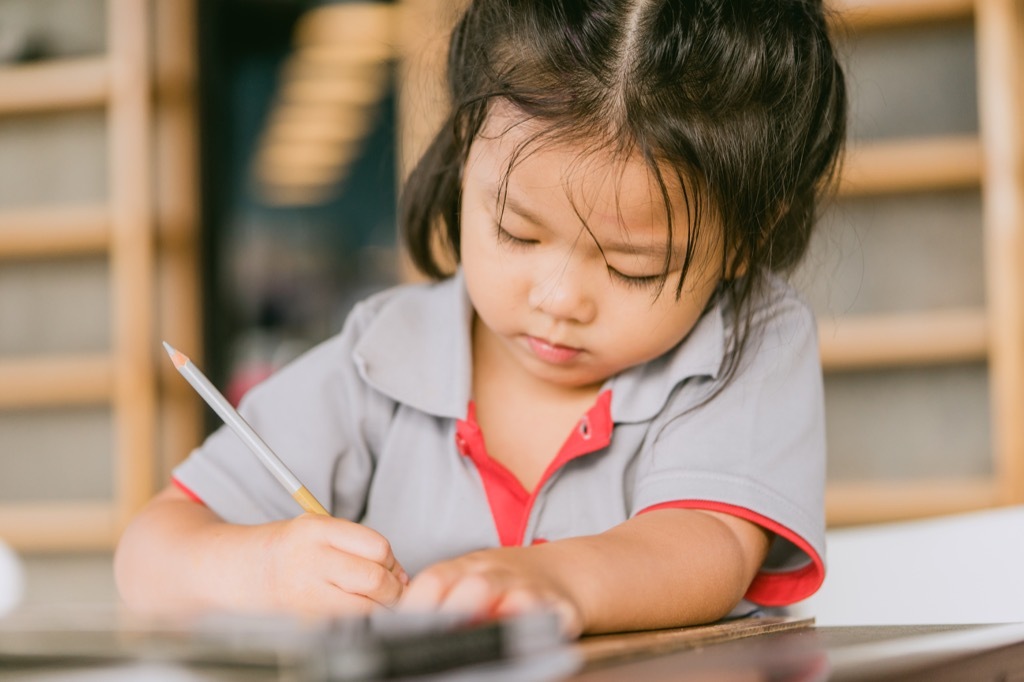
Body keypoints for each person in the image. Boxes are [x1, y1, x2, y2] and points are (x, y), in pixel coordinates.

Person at [115, 0, 846, 637]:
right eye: (517, 232)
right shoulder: (381, 356)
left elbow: (707, 544)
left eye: (634, 267)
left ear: (747, 236)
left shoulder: (745, 340)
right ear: (465, 154)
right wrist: (265, 570)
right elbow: (148, 554)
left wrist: (559, 582)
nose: (559, 299)